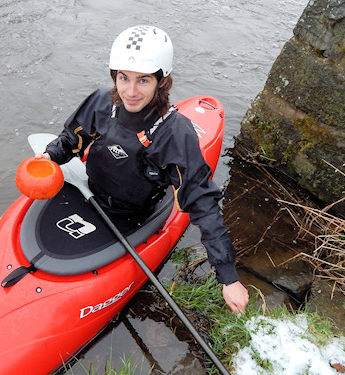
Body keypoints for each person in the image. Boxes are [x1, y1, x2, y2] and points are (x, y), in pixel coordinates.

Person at [36, 25, 249, 314]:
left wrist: (228, 277)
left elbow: (202, 203)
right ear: (115, 76)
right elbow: (71, 140)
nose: (131, 92)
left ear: (162, 82)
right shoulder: (100, 103)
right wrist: (50, 158)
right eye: (123, 78)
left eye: (143, 80)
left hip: (134, 214)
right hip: (91, 193)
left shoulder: (175, 134)